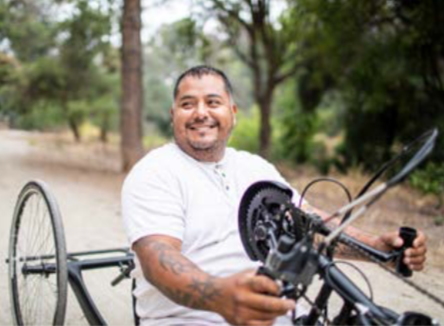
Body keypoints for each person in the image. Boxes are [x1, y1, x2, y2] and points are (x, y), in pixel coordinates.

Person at [122, 65, 427, 326]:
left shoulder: (256, 167)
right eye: (188, 104)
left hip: (283, 314)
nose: (201, 113)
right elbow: (157, 257)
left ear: (232, 112)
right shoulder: (155, 172)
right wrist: (221, 297)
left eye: (213, 102)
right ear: (173, 114)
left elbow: (308, 225)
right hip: (192, 319)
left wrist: (375, 248)